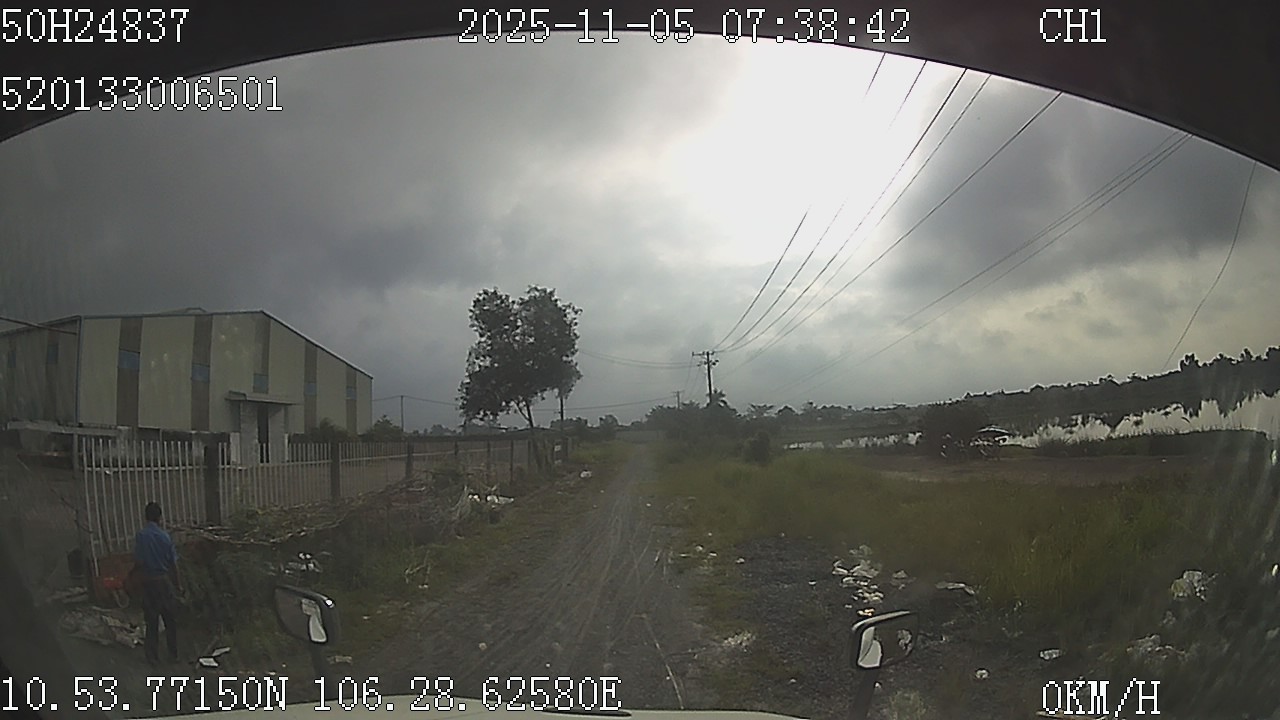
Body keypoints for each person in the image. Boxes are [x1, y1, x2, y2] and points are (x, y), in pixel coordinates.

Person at [133, 501, 181, 665]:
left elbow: (139, 562)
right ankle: (173, 654)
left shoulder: (141, 536)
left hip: (149, 583)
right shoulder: (165, 537)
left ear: (146, 517)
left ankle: (152, 657)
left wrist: (133, 578)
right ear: (160, 518)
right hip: (164, 583)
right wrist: (178, 585)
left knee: (151, 622)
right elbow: (173, 565)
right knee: (170, 621)